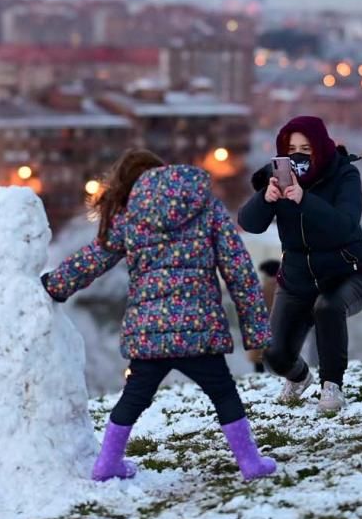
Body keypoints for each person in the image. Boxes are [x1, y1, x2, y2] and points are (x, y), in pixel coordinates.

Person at [41, 149, 276, 482]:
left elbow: (93, 259)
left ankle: (108, 464)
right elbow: (238, 270)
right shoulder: (206, 207)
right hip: (199, 329)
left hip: (149, 333)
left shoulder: (130, 216)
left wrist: (54, 285)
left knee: (134, 396)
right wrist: (255, 332)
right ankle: (250, 462)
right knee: (223, 393)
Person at [238, 116, 362, 416]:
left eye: (307, 147)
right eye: (292, 148)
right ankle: (300, 378)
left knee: (327, 307)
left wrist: (305, 199)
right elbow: (249, 223)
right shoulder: (278, 176)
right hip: (298, 280)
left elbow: (345, 225)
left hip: (348, 274)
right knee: (275, 355)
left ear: (320, 146)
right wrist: (266, 198)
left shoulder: (344, 175)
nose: (299, 154)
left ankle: (332, 385)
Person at [247, 259, 281, 373]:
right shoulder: (283, 285)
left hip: (264, 326)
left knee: (259, 357)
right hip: (280, 326)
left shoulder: (266, 287)